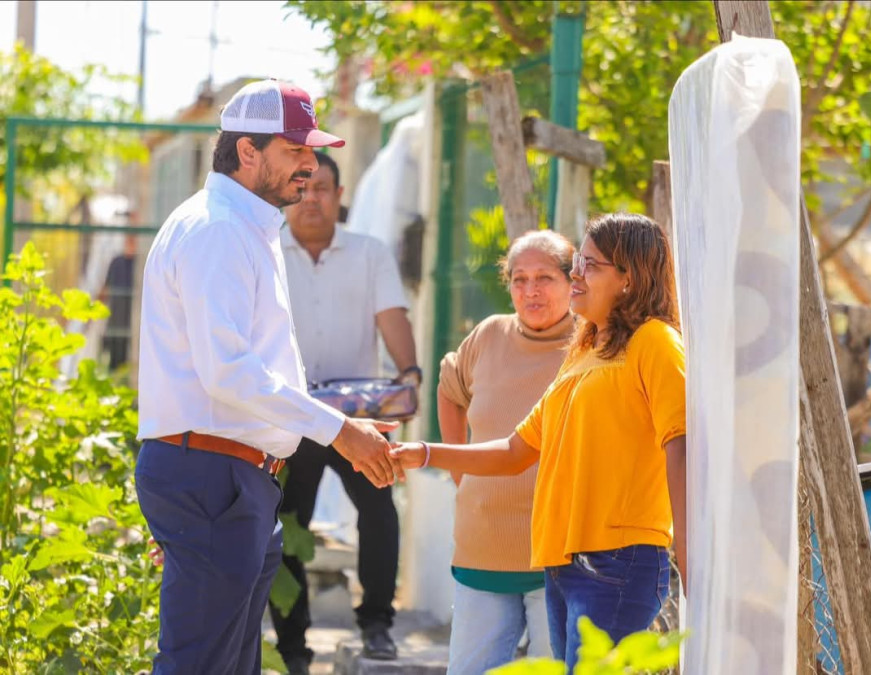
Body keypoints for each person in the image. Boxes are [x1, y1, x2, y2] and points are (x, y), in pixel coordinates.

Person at [134, 79, 404, 675]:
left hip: (228, 476)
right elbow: (228, 372)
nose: (309, 166)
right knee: (200, 665)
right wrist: (341, 431)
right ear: (247, 152)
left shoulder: (243, 226)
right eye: (295, 151)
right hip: (211, 473)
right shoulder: (219, 230)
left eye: (310, 152)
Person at [392, 213, 687, 672]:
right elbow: (515, 450)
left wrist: (688, 554)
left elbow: (680, 446)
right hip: (565, 562)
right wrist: (425, 453)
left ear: (628, 279)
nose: (577, 275)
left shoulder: (655, 342)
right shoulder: (586, 349)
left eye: (590, 265)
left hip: (618, 561)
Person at [270, 151, 419, 673]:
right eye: (302, 188)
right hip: (291, 415)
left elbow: (392, 317)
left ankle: (376, 622)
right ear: (289, 193)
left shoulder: (369, 252)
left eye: (323, 188)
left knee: (380, 510)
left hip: (359, 416)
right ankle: (293, 648)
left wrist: (411, 375)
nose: (312, 199)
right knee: (286, 524)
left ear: (338, 195)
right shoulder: (265, 252)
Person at [438, 230, 576, 674]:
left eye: (544, 278)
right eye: (519, 279)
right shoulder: (489, 335)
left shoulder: (591, 344)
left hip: (557, 554)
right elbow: (449, 386)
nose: (530, 290)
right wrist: (462, 470)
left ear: (572, 282)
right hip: (483, 546)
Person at [99, 234, 137, 370]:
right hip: (116, 318)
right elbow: (105, 289)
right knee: (113, 359)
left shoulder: (140, 264)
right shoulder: (116, 261)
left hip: (132, 320)